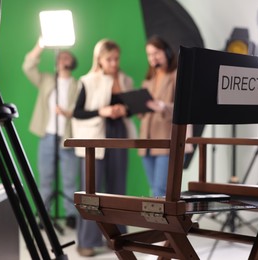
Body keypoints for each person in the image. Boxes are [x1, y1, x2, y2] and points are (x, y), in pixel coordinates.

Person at [71, 39, 136, 257]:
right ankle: (86, 242)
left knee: (118, 189)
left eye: (117, 58)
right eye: (110, 59)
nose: (114, 63)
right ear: (99, 58)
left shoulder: (126, 80)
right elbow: (77, 112)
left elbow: (132, 109)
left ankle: (118, 239)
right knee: (92, 191)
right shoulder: (87, 81)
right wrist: (102, 111)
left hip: (119, 135)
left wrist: (122, 110)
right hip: (95, 139)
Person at [22, 39, 80, 229]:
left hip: (68, 137)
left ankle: (71, 214)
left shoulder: (78, 85)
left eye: (67, 56)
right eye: (60, 56)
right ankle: (44, 213)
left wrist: (67, 112)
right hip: (47, 134)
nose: (62, 58)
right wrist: (40, 44)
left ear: (72, 62)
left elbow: (80, 109)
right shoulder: (47, 79)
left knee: (70, 178)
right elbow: (28, 66)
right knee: (45, 177)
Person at [138, 35, 193, 197]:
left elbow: (185, 106)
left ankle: (163, 223)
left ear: (166, 52)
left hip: (168, 140)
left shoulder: (177, 75)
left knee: (162, 191)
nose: (153, 57)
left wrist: (162, 106)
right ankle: (157, 222)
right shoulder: (148, 81)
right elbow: (146, 112)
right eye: (149, 54)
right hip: (147, 141)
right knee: (154, 190)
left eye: (156, 52)